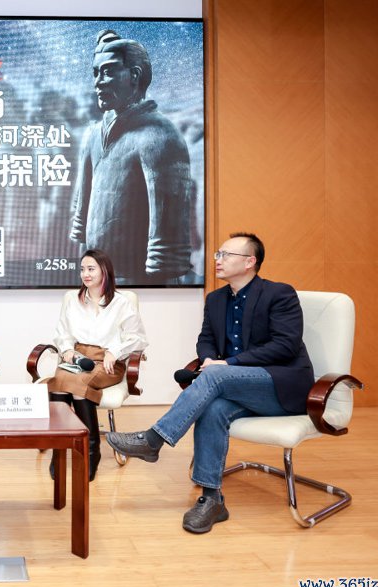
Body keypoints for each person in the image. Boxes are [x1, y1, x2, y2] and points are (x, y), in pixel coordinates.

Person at [106, 232, 314, 534]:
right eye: (217, 254)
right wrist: (208, 359)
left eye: (226, 255)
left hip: (280, 387)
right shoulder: (215, 299)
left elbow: (286, 346)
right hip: (236, 388)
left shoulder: (279, 294)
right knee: (213, 408)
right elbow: (206, 339)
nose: (218, 259)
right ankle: (211, 499)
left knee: (215, 376)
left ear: (250, 262)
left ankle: (153, 440)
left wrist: (227, 364)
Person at [70, 30, 195, 285]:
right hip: (97, 280)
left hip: (140, 284)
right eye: (95, 73)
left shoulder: (160, 136)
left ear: (135, 76)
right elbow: (82, 222)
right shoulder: (93, 135)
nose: (98, 82)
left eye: (108, 72)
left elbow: (167, 248)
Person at [44, 249, 148, 481]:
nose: (85, 274)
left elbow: (138, 338)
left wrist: (115, 351)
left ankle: (91, 450)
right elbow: (62, 333)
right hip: (77, 359)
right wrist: (67, 350)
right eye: (82, 269)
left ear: (104, 272)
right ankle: (59, 449)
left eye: (91, 269)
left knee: (76, 383)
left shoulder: (121, 303)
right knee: (59, 383)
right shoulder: (73, 300)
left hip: (108, 362)